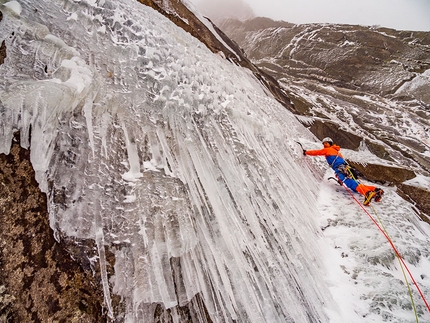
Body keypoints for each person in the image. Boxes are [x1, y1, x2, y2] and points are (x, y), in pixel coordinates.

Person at [304, 137, 383, 206]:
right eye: (323, 143)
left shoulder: (328, 150)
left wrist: (306, 152)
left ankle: (367, 193)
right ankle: (375, 189)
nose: (324, 145)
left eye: (326, 143)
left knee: (350, 183)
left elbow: (317, 152)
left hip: (340, 169)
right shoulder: (337, 152)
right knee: (355, 184)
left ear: (330, 144)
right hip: (346, 168)